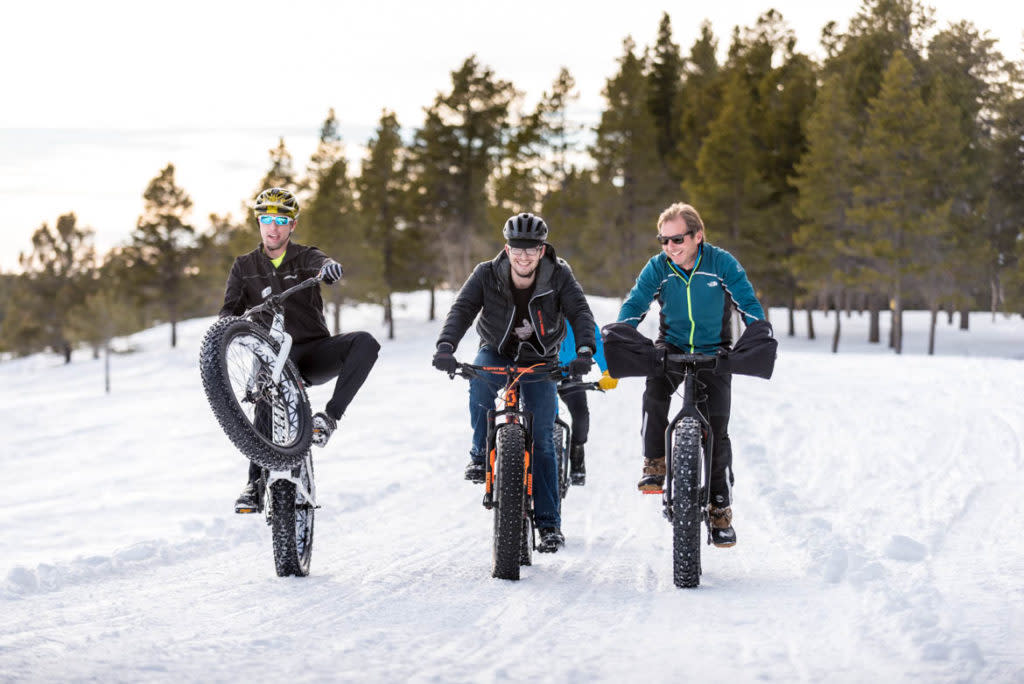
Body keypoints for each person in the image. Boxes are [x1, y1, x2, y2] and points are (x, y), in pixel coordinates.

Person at [432, 212, 596, 553]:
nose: (524, 256)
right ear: (507, 249)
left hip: (541, 359)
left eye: (531, 249)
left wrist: (583, 349)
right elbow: (462, 309)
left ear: (542, 250)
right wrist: (446, 346)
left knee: (543, 440)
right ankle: (480, 453)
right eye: (517, 249)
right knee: (478, 381)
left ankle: (549, 524)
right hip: (496, 350)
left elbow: (580, 312)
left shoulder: (559, 275)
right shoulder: (486, 274)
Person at [616, 202, 767, 548]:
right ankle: (655, 462)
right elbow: (636, 301)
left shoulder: (721, 263)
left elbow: (747, 301)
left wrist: (757, 333)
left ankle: (719, 509)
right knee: (654, 393)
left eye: (677, 239)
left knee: (717, 429)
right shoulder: (659, 267)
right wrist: (623, 331)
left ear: (698, 236)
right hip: (671, 347)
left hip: (715, 353)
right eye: (663, 240)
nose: (670, 247)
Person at [220, 188, 380, 512]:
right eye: (266, 220)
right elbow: (228, 313)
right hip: (271, 355)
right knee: (266, 389)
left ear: (292, 225)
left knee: (366, 343)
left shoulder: (304, 256)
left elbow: (322, 263)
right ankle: (255, 483)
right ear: (258, 222)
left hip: (312, 352)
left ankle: (329, 419)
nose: (273, 228)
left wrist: (330, 268)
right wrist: (228, 329)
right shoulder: (244, 266)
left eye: (281, 221)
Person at [557, 322, 617, 485]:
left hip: (570, 373)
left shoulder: (575, 311)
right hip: (539, 373)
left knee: (581, 415)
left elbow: (595, 339)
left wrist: (607, 370)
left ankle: (577, 453)